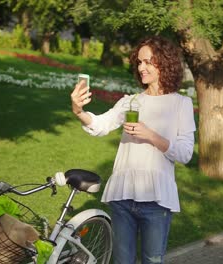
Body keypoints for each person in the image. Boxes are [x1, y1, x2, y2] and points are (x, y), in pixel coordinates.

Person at [70, 36, 196, 264]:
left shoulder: (181, 104)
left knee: (152, 260)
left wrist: (150, 134)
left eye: (148, 62)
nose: (141, 67)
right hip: (123, 196)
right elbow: (100, 125)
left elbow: (186, 153)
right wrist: (79, 111)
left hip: (157, 201)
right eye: (139, 62)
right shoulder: (130, 102)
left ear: (165, 63)